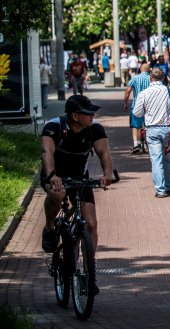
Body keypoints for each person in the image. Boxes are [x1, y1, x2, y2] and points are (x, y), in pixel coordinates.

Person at [40, 95, 114, 296]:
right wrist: (52, 175)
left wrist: (107, 174)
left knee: (90, 223)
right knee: (58, 193)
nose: (92, 115)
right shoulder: (54, 127)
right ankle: (50, 226)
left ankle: (89, 273)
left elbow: (104, 153)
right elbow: (46, 152)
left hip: (80, 178)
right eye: (88, 113)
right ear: (74, 115)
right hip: (55, 175)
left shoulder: (94, 129)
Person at [132, 68, 170, 198]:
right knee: (169, 159)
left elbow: (136, 113)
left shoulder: (144, 93)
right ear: (164, 78)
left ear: (150, 78)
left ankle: (160, 190)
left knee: (156, 160)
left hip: (152, 129)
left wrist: (148, 111)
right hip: (168, 130)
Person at [123, 63, 152, 154]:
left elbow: (128, 91)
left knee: (135, 125)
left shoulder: (135, 78)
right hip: (149, 106)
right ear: (149, 70)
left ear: (140, 69)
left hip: (136, 105)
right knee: (148, 125)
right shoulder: (152, 78)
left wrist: (125, 103)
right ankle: (147, 144)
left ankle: (136, 144)